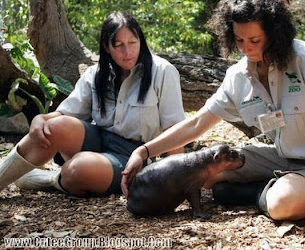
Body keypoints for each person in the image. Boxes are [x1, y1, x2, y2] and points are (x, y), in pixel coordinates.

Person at [121, 0, 305, 225]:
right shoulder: (238, 76)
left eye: (254, 40)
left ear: (275, 32)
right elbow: (197, 123)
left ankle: (257, 194)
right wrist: (144, 151)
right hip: (279, 157)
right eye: (239, 40)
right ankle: (266, 188)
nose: (246, 48)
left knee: (283, 204)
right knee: (204, 174)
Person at [0, 12, 185, 196]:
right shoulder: (95, 74)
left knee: (77, 169)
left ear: (141, 41)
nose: (127, 52)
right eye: (119, 45)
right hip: (100, 140)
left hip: (137, 156)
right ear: (106, 47)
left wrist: (175, 182)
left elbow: (176, 130)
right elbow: (66, 114)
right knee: (53, 126)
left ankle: (51, 180)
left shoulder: (162, 72)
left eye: (132, 43)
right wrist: (40, 119)